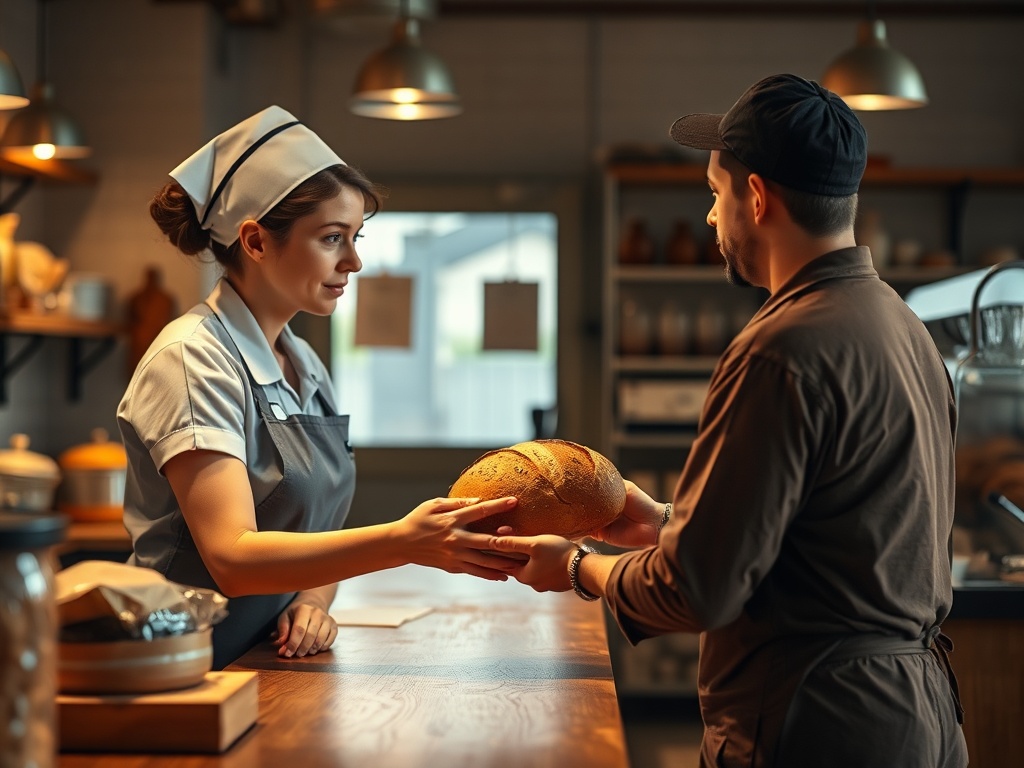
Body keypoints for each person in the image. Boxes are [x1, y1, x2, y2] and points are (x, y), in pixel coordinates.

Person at [491, 74, 968, 767]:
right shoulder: (903, 325)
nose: (712, 219)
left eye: (715, 194)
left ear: (756, 197)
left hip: (820, 723)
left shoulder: (782, 347)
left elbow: (696, 592)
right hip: (914, 715)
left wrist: (575, 566)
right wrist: (668, 522)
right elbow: (829, 533)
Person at [117, 106, 517, 670]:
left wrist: (312, 599)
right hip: (177, 664)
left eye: (356, 237)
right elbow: (232, 557)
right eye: (333, 238)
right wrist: (404, 541)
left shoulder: (303, 363)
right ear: (255, 241)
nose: (354, 261)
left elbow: (315, 530)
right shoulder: (192, 360)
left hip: (264, 661)